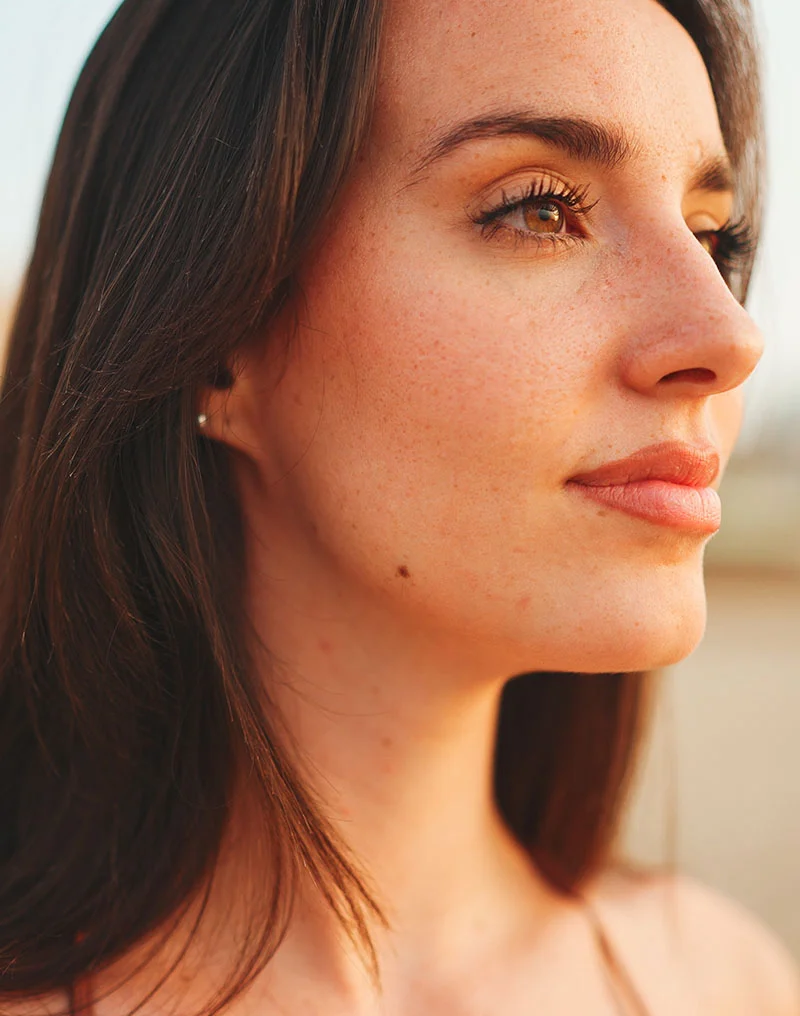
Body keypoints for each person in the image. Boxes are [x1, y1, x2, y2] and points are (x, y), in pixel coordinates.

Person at [1, 0, 798, 1013]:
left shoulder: (724, 982)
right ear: (215, 335)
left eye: (709, 233)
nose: (725, 335)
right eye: (539, 207)